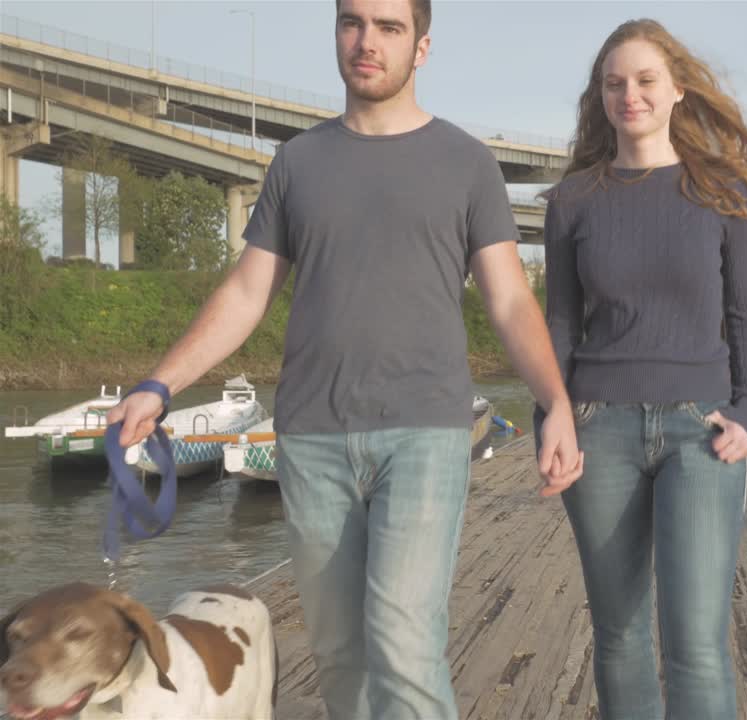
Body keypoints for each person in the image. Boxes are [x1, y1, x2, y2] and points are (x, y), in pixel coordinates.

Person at [106, 0, 584, 718]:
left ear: (422, 47)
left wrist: (555, 404)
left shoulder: (465, 162)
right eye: (352, 22)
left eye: (389, 27)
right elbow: (246, 291)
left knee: (404, 643)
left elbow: (511, 301)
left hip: (424, 431)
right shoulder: (299, 162)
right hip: (312, 435)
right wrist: (158, 384)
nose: (367, 41)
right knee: (338, 656)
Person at [537, 17, 747, 720]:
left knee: (697, 644)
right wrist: (552, 418)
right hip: (598, 429)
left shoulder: (724, 191)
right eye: (613, 84)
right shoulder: (573, 201)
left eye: (643, 81)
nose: (627, 95)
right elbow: (561, 324)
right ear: (599, 97)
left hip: (702, 430)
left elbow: (743, 316)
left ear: (676, 91)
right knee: (620, 636)